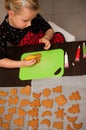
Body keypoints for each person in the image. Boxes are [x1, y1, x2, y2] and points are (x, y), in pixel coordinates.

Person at [0, 0, 65, 68]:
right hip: (27, 51)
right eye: (25, 20)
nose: (30, 24)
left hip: (42, 44)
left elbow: (49, 29)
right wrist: (22, 64)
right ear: (11, 14)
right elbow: (1, 61)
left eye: (32, 19)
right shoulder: (3, 31)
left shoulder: (31, 16)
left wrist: (46, 37)